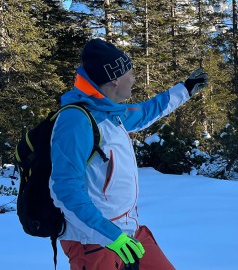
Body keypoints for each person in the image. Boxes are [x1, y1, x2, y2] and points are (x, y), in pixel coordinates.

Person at [49, 38, 208, 270]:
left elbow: (145, 112)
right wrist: (110, 235)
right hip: (93, 242)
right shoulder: (76, 122)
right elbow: (64, 190)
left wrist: (185, 89)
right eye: (130, 73)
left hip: (129, 231)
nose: (133, 79)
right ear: (114, 79)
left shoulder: (111, 112)